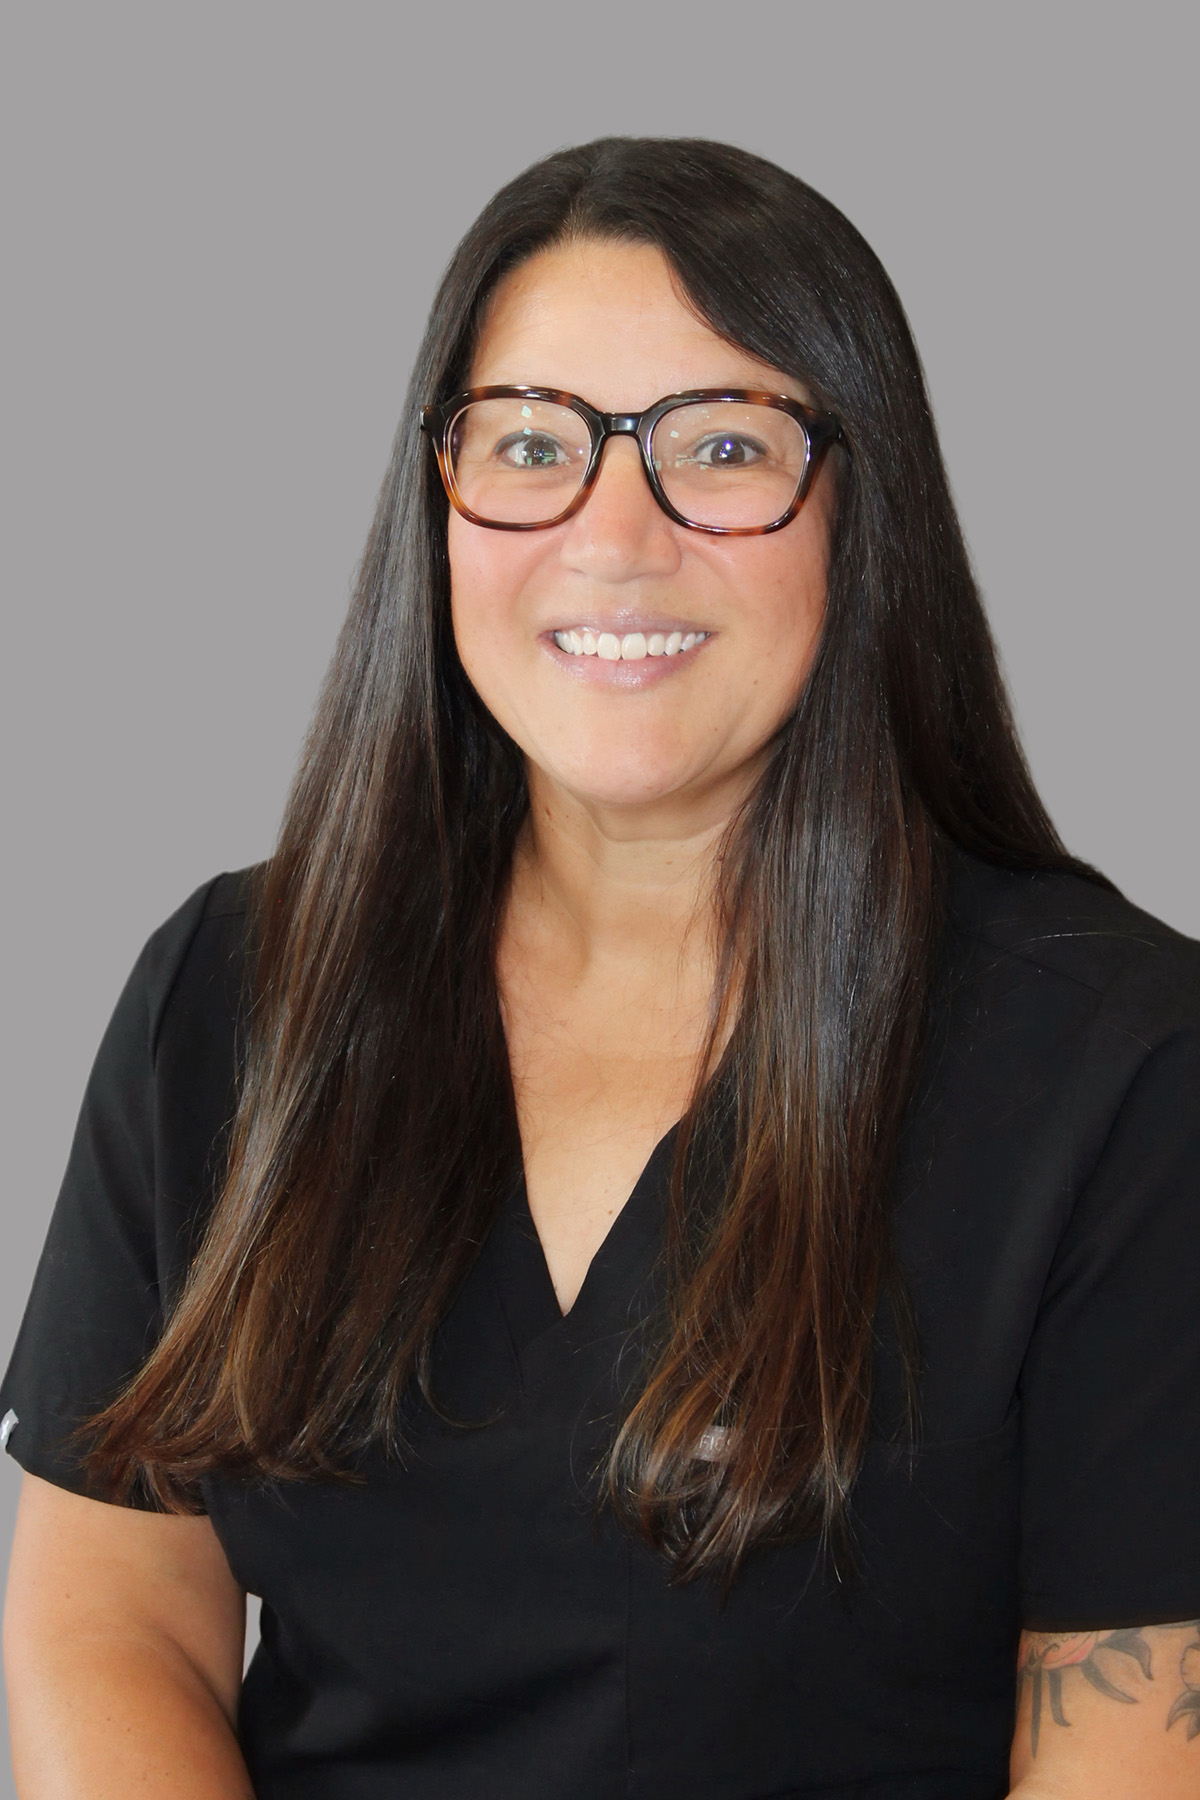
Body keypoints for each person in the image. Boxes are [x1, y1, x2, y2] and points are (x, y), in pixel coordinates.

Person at [2, 136, 1198, 1800]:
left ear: (865, 506)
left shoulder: (1122, 1071)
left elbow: (1130, 1740)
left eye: (718, 446)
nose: (612, 535)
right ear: (442, 498)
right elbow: (113, 1613)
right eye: (532, 444)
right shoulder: (229, 994)